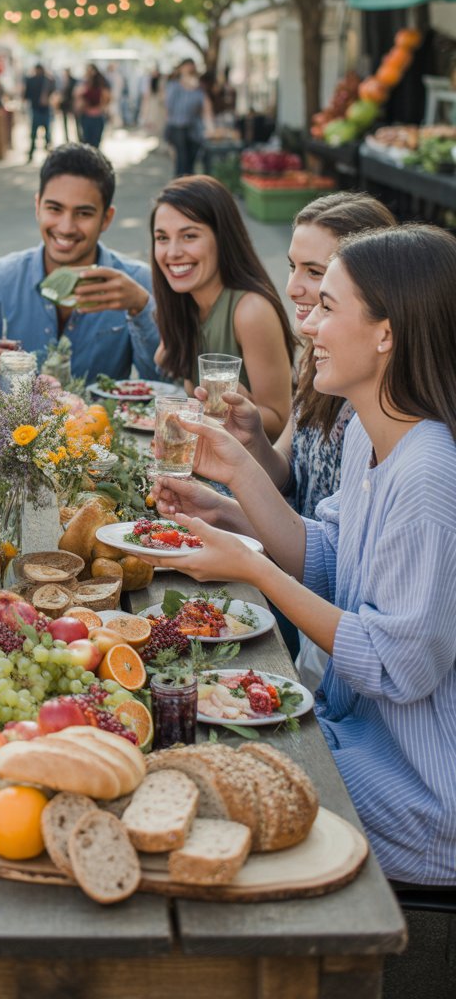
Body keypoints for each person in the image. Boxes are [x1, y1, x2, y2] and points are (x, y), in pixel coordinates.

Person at [152, 224, 456, 886]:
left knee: (188, 759)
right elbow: (324, 559)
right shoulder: (370, 439)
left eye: (327, 306)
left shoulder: (431, 471)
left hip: (419, 790)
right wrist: (232, 486)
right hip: (354, 730)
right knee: (180, 724)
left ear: (387, 333)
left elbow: (396, 663)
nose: (308, 325)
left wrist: (250, 566)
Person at [155, 192, 396, 664]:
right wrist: (251, 444)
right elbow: (292, 482)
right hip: (300, 563)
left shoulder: (383, 417)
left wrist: (244, 539)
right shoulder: (323, 366)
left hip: (312, 598)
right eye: (293, 267)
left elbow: (389, 653)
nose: (292, 288)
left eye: (315, 272)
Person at [0, 143, 160, 383]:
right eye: (54, 209)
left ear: (106, 218)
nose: (66, 227)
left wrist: (141, 309)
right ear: (38, 207)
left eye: (83, 213)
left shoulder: (137, 283)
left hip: (103, 420)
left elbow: (162, 384)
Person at [151, 176, 295, 441]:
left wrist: (240, 408)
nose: (172, 252)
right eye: (162, 238)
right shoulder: (183, 302)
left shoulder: (250, 311)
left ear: (222, 238)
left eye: (189, 236)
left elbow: (280, 419)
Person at [164, 59, 212, 176]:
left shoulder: (198, 89)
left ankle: (188, 185)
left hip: (193, 128)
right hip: (177, 127)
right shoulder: (174, 86)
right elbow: (168, 107)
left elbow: (206, 108)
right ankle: (180, 185)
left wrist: (210, 128)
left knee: (191, 161)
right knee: (182, 160)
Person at [24, 63, 55, 162]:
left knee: (39, 133)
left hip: (39, 109)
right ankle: (45, 154)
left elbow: (26, 95)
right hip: (40, 109)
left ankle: (33, 154)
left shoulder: (34, 80)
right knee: (44, 133)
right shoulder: (48, 80)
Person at [76, 64, 111, 148]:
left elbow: (107, 98)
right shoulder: (84, 84)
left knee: (95, 143)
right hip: (87, 116)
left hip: (97, 116)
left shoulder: (101, 84)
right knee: (86, 143)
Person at [57, 69, 77, 141]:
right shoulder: (63, 81)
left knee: (75, 121)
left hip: (71, 103)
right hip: (65, 104)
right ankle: (66, 137)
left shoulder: (73, 81)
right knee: (65, 121)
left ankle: (78, 136)